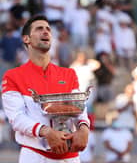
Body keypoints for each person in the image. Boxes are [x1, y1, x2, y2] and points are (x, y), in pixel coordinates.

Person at [1, 15, 90, 163]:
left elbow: (79, 108)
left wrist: (84, 128)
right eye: (39, 29)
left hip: (70, 157)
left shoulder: (69, 74)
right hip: (34, 155)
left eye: (48, 29)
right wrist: (46, 132)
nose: (46, 31)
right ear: (26, 39)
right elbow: (16, 118)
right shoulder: (13, 76)